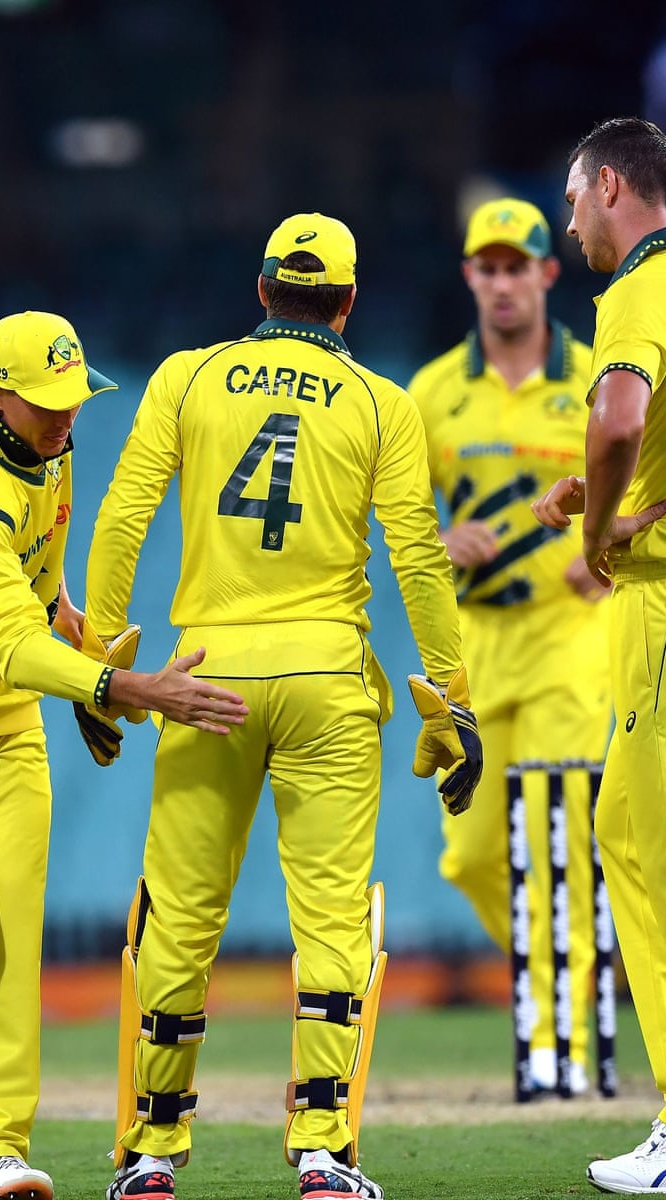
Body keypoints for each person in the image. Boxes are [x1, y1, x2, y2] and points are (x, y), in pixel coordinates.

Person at [85, 214, 483, 1200]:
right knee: (332, 921)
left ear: (260, 291)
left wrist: (101, 663)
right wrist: (452, 699)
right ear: (349, 303)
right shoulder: (383, 403)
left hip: (203, 677)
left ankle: (150, 1154)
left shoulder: (186, 376)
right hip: (326, 682)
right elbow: (419, 561)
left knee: (177, 922)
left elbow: (123, 515)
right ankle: (321, 1151)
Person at [0, 310, 249, 1200]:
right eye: (47, 402)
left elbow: (38, 579)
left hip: (6, 722)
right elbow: (10, 644)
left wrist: (74, 618)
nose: (68, 418)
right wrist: (130, 689)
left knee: (13, 940)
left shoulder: (47, 445)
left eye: (74, 396)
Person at [407, 196, 610, 1095]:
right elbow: (401, 521)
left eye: (516, 266)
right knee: (475, 855)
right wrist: (438, 546)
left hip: (573, 636)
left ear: (547, 273)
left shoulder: (600, 376)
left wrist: (608, 549)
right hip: (479, 645)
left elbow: (649, 472)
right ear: (470, 278)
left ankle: (564, 1043)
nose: (501, 283)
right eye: (485, 268)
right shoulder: (433, 392)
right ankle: (570, 985)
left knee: (558, 835)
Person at [532, 116, 666, 1194]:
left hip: (659, 612)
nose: (570, 221)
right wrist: (626, 498)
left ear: (610, 184)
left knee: (636, 849)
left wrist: (600, 527)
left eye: (574, 199)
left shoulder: (635, 293)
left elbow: (619, 420)